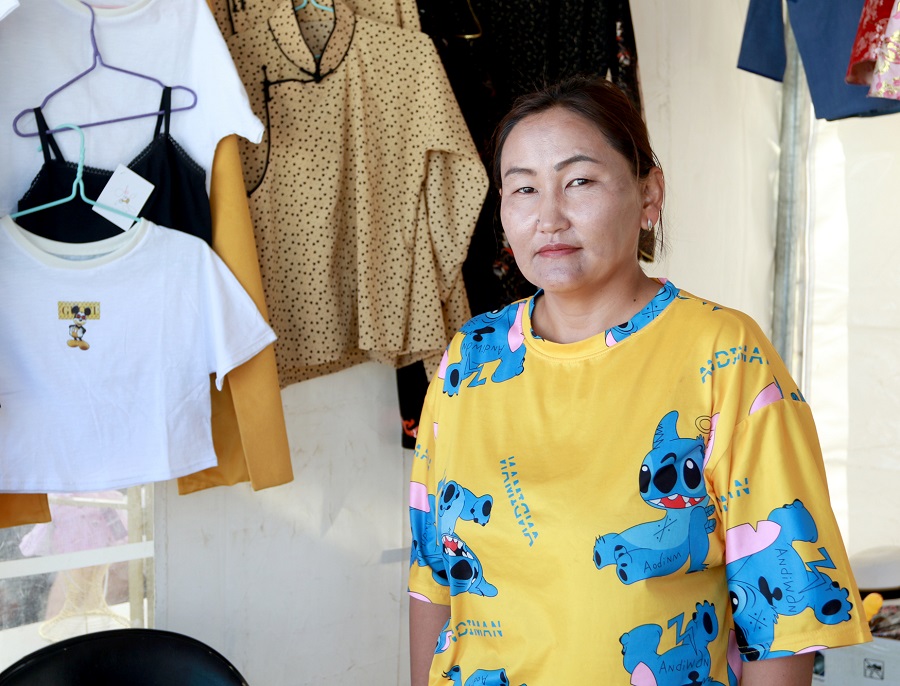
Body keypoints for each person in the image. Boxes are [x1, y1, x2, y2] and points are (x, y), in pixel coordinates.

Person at [407, 76, 872, 685]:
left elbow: (787, 613)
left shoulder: (724, 354)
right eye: (523, 188)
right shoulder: (471, 359)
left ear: (649, 195)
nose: (549, 217)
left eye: (579, 182)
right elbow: (432, 574)